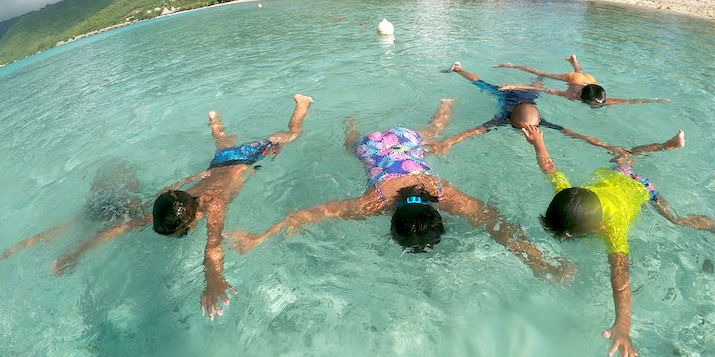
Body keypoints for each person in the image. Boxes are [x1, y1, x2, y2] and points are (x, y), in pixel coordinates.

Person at [227, 99, 574, 286]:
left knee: (389, 138)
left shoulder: (429, 192)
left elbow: (304, 215)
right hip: (383, 145)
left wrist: (261, 237)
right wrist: (538, 261)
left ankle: (358, 124)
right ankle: (441, 107)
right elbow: (498, 227)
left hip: (384, 146)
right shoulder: (378, 202)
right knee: (415, 135)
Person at [48, 93, 314, 320]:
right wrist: (76, 254)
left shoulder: (215, 204)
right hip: (222, 163)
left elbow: (213, 247)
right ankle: (215, 122)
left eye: (182, 235)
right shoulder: (177, 200)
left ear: (189, 222)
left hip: (247, 159)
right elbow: (122, 227)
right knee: (223, 146)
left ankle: (302, 104)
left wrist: (213, 281)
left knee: (291, 135)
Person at [521, 124, 715, 357]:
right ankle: (668, 145)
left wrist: (622, 326)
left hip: (641, 187)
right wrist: (538, 142)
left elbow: (620, 278)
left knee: (676, 219)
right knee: (625, 157)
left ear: (599, 229)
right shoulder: (569, 196)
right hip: (617, 176)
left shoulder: (614, 228)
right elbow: (550, 168)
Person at [0, 159, 145, 262]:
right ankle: (68, 257)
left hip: (95, 203)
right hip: (110, 204)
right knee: (109, 230)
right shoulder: (127, 191)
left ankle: (8, 253)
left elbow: (95, 187)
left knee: (59, 230)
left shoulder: (105, 182)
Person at [434, 61, 566, 152]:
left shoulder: (535, 121)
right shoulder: (504, 119)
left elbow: (564, 129)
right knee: (481, 83)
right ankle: (458, 68)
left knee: (481, 83)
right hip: (507, 93)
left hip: (526, 94)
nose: (526, 132)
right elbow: (476, 130)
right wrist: (448, 143)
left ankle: (540, 77)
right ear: (508, 120)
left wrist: (586, 138)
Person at [495, 54, 670, 106]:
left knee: (581, 71)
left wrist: (655, 100)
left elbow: (629, 101)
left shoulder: (600, 97)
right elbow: (542, 90)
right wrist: (514, 85)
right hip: (578, 79)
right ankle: (513, 65)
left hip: (590, 80)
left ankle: (574, 61)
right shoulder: (572, 93)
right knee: (542, 73)